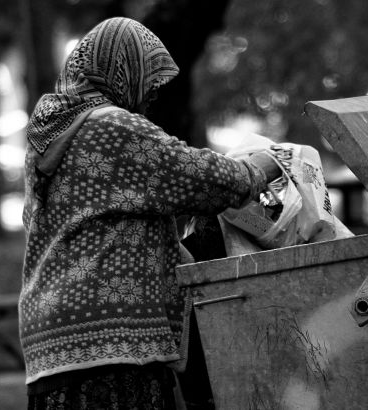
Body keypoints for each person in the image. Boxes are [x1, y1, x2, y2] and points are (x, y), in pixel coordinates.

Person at [21, 17, 280, 409]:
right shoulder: (112, 127)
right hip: (112, 342)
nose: (149, 99)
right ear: (123, 73)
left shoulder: (52, 133)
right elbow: (201, 177)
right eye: (148, 84)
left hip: (52, 345)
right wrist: (261, 167)